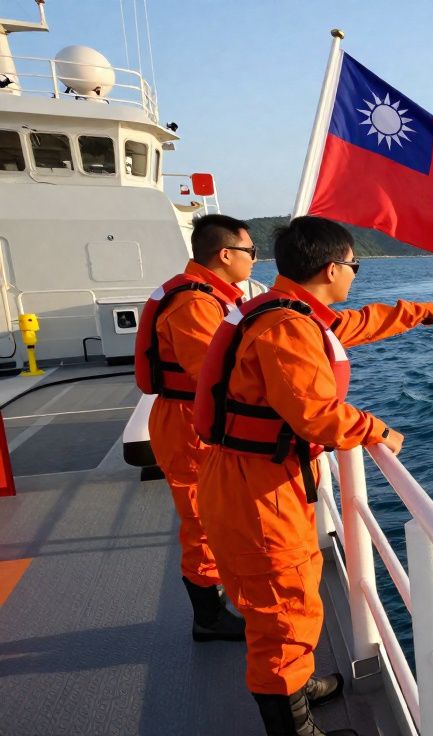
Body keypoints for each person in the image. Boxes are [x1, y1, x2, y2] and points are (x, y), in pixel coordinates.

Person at [192, 216, 433, 736]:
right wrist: (377, 429)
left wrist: (428, 311)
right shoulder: (286, 327)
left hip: (261, 478)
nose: (354, 274)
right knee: (283, 612)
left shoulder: (285, 312)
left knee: (290, 600)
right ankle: (292, 726)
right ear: (330, 269)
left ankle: (295, 689)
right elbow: (316, 415)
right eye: (353, 265)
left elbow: (356, 324)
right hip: (259, 489)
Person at [134, 214, 255, 642]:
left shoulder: (207, 296)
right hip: (188, 422)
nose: (254, 260)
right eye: (251, 251)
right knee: (201, 521)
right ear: (226, 255)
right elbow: (213, 374)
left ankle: (218, 601)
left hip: (192, 417)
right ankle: (208, 616)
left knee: (212, 517)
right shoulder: (195, 303)